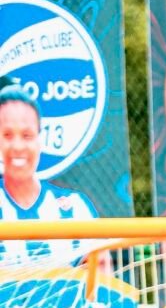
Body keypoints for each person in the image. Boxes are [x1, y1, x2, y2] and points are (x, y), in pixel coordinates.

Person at [0, 85, 98, 263]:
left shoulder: (76, 209)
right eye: (7, 135)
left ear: (40, 140)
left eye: (27, 135)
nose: (17, 146)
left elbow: (101, 280)